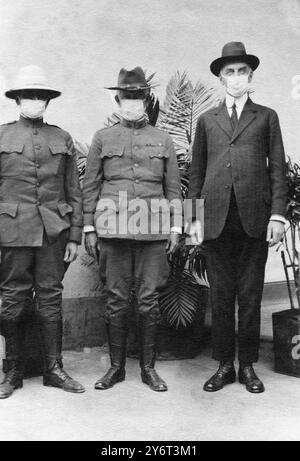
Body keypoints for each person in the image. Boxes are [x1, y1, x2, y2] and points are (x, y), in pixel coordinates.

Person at [188, 42, 287, 393]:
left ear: (251, 75)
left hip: (254, 218)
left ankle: (247, 366)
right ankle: (224, 366)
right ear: (219, 78)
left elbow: (278, 170)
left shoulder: (266, 116)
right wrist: (192, 218)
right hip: (215, 219)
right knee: (220, 296)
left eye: (241, 71)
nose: (235, 77)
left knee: (249, 296)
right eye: (229, 72)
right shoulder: (207, 120)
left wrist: (277, 215)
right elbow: (195, 170)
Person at [83, 67, 182, 392]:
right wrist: (88, 228)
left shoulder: (162, 138)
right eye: (127, 97)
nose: (133, 102)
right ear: (118, 99)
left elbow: (173, 189)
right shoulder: (103, 137)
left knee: (148, 300)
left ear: (146, 98)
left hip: (153, 230)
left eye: (138, 96)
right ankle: (115, 368)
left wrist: (177, 227)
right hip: (112, 230)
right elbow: (91, 185)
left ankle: (148, 369)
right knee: (116, 299)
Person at [0, 65, 85, 398]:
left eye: (41, 96)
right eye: (29, 95)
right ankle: (13, 371)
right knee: (13, 300)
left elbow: (73, 190)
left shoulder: (61, 137)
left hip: (54, 232)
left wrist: (75, 235)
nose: (35, 101)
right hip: (12, 232)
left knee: (51, 298)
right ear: (18, 98)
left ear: (47, 101)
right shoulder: (2, 136)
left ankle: (54, 369)